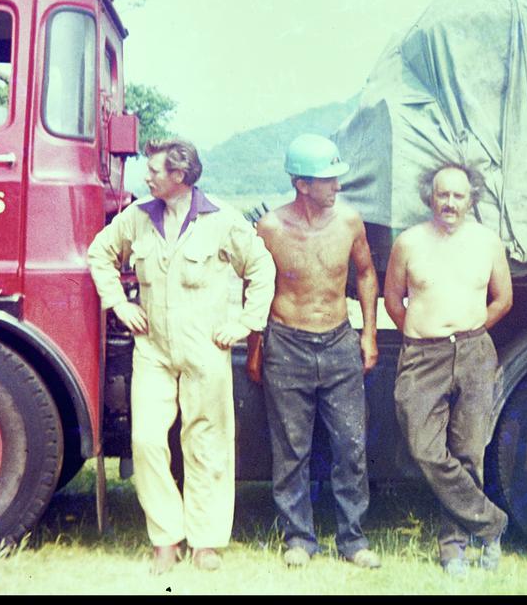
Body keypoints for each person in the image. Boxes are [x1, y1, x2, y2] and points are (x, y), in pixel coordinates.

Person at [88, 137, 275, 574]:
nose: (146, 176)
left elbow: (261, 268)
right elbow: (100, 254)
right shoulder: (136, 217)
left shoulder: (220, 219)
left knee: (206, 443)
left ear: (181, 176)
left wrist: (246, 323)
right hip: (152, 350)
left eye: (155, 170)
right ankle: (165, 538)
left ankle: (206, 541)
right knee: (148, 441)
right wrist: (118, 303)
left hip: (205, 349)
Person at [247, 133, 382, 570]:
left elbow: (365, 274)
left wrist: (369, 334)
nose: (337, 186)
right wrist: (256, 347)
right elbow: (256, 287)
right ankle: (298, 538)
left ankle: (353, 539)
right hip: (287, 344)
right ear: (302, 184)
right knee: (291, 448)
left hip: (339, 340)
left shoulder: (349, 222)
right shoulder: (269, 228)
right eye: (328, 180)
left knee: (350, 444)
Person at [383, 163, 513, 576]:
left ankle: (454, 545)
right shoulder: (409, 242)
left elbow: (503, 299)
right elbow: (392, 300)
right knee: (423, 447)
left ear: (471, 198)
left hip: (474, 351)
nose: (450, 203)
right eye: (443, 195)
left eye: (459, 196)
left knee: (469, 450)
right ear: (430, 197)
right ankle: (491, 523)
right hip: (422, 355)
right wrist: (425, 337)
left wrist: (470, 334)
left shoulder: (487, 242)